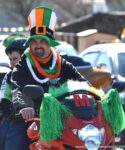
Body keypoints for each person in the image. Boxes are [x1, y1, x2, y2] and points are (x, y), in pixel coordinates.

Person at [11, 6, 89, 149]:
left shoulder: (62, 63)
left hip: (65, 121)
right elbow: (17, 89)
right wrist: (24, 107)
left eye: (43, 41)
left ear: (50, 44)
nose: (38, 45)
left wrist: (94, 98)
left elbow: (82, 83)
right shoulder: (23, 65)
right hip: (33, 119)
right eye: (34, 42)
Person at [0, 34, 29, 150]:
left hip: (37, 118)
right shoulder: (10, 76)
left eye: (15, 59)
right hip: (15, 118)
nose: (12, 63)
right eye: (10, 59)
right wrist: (6, 104)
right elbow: (5, 94)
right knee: (4, 137)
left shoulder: (39, 74)